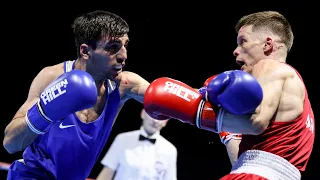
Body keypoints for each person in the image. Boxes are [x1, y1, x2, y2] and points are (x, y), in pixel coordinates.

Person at [143, 11, 315, 180]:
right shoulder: (300, 98)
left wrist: (193, 110)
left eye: (243, 42)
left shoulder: (270, 65)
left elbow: (256, 123)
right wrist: (228, 130)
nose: (235, 51)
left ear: (267, 44)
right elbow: (244, 162)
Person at [3, 10, 153, 180]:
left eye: (125, 46)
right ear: (85, 51)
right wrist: (44, 112)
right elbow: (10, 143)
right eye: (113, 47)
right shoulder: (52, 77)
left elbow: (159, 95)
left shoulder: (123, 85)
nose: (123, 56)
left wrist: (190, 109)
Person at [96, 108, 177, 180]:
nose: (155, 121)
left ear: (166, 122)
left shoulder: (170, 150)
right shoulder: (123, 139)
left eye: (161, 117)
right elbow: (107, 173)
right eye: (153, 115)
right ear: (143, 113)